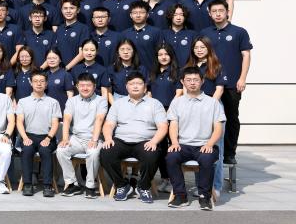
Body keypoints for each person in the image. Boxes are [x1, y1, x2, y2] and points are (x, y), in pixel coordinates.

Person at [100, 72, 168, 204]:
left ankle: (143, 187)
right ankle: (122, 185)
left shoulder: (155, 104)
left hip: (145, 141)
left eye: (139, 83)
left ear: (145, 86)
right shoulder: (118, 104)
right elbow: (108, 124)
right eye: (132, 84)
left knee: (152, 154)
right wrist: (108, 138)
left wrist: (154, 141)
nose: (135, 86)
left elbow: (163, 126)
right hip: (121, 141)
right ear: (127, 87)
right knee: (106, 152)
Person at [165, 67, 227, 211]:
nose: (192, 83)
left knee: (207, 159)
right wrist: (174, 142)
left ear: (202, 81)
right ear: (182, 82)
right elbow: (173, 125)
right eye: (188, 80)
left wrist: (210, 144)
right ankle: (180, 196)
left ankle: (204, 196)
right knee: (171, 157)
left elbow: (219, 128)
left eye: (195, 80)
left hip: (205, 144)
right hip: (183, 144)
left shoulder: (213, 103)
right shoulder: (177, 102)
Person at [200, 0, 250, 166]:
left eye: (221, 10)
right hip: (210, 83)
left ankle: (229, 153)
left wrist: (242, 78)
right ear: (209, 14)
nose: (218, 14)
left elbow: (246, 55)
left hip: (232, 83)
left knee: (231, 117)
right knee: (207, 117)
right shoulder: (205, 32)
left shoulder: (239, 32)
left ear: (227, 12)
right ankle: (207, 148)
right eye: (214, 11)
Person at [55, 72, 107, 198]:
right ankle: (72, 183)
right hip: (76, 138)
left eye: (88, 85)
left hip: (94, 138)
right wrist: (65, 139)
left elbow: (99, 119)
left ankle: (90, 185)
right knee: (61, 150)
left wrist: (94, 139)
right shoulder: (72, 101)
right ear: (77, 86)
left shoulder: (101, 101)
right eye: (82, 85)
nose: (85, 88)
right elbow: (67, 119)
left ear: (94, 86)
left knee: (93, 153)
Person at [15, 71, 62, 197]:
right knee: (27, 150)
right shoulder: (23, 101)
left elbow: (55, 123)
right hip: (28, 135)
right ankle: (27, 184)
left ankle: (47, 185)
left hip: (47, 136)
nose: (39, 84)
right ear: (31, 83)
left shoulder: (53, 102)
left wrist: (48, 138)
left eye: (42, 81)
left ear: (46, 84)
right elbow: (19, 121)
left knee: (45, 151)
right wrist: (24, 137)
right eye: (35, 81)